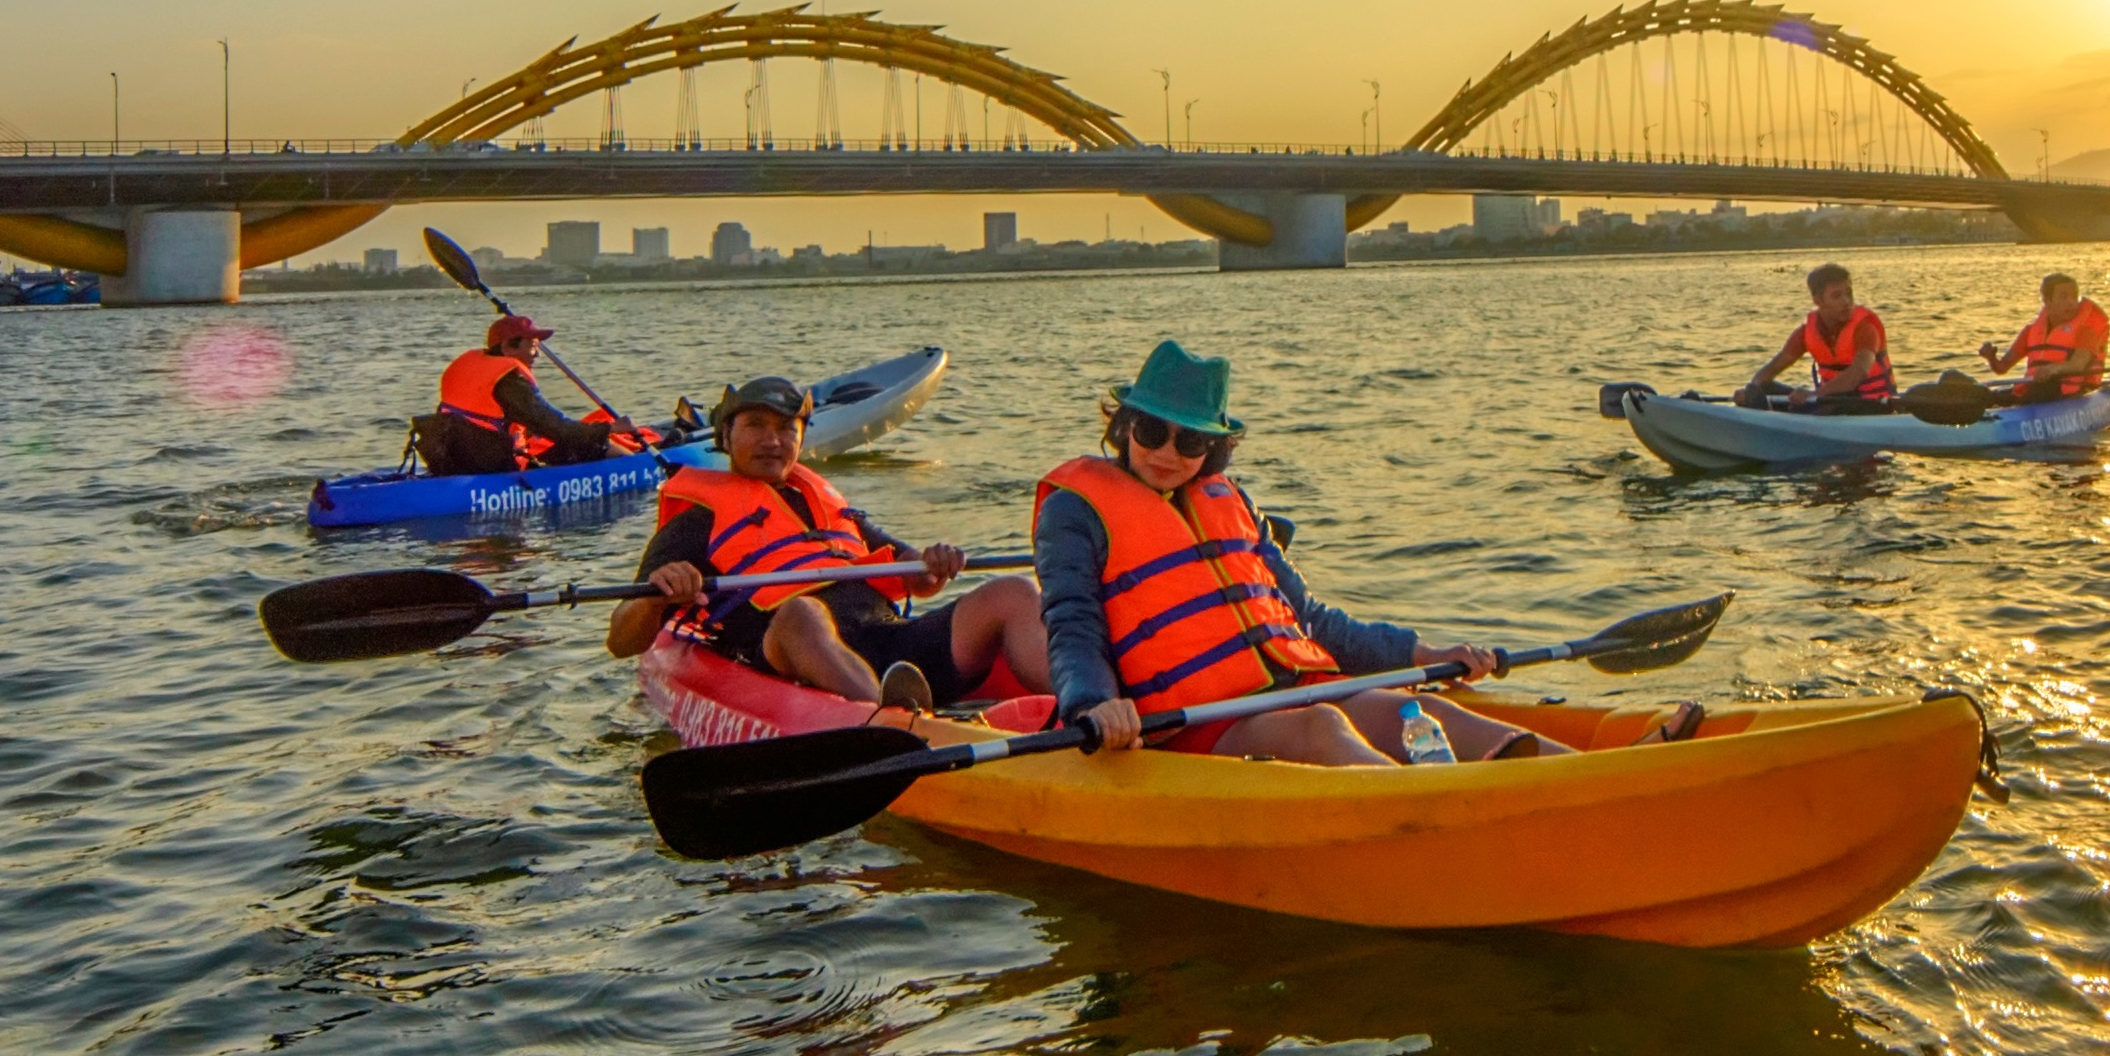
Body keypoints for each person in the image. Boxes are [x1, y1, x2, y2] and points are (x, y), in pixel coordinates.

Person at [1041, 342, 1613, 768]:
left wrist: (1419, 651)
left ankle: (1594, 777)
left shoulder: (1229, 500)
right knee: (1319, 727)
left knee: (1413, 710)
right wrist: (1094, 703)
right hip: (1194, 726)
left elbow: (1309, 619)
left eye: (1189, 441)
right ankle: (1445, 811)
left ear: (1214, 448)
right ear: (1123, 426)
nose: (1167, 453)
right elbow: (1072, 625)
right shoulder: (1075, 510)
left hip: (1292, 689)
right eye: (1150, 431)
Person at [607, 375, 1050, 712]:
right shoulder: (698, 520)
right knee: (801, 612)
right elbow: (622, 641)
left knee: (1012, 593)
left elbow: (916, 578)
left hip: (888, 644)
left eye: (786, 428)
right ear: (725, 437)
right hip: (791, 652)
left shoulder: (828, 504)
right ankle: (893, 722)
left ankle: (1090, 703)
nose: (772, 440)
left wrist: (932, 563)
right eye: (755, 426)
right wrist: (655, 597)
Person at [415, 313, 628, 476]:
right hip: (493, 469)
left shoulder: (465, 365)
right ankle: (639, 467)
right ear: (508, 346)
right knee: (596, 444)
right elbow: (557, 428)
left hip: (453, 462)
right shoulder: (508, 380)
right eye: (533, 346)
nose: (536, 355)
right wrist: (609, 428)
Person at [1738, 262, 1897, 412]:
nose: (1847, 302)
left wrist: (1813, 394)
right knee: (1761, 389)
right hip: (1831, 401)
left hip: (1871, 404)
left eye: (1849, 293)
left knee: (1828, 405)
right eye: (1837, 296)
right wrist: (1750, 391)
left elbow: (1857, 374)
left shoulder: (1865, 328)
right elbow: (1771, 369)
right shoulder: (1806, 332)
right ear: (1818, 300)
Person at [1981, 272, 2110, 403]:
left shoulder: (2085, 330)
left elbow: (2078, 365)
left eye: (2074, 296)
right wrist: (1991, 358)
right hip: (2034, 390)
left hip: (2071, 392)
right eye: (2064, 297)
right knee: (1981, 396)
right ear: (2047, 301)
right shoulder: (2031, 331)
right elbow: (2002, 367)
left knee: (2043, 389)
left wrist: (2052, 369)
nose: (2071, 303)